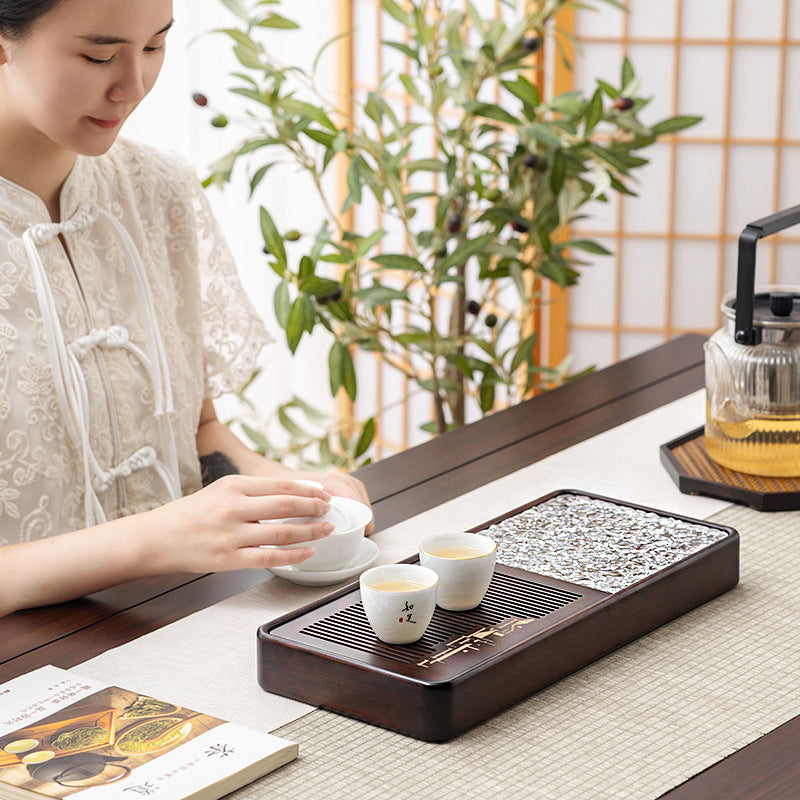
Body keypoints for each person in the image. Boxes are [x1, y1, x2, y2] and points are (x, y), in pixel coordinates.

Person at [0, 0, 372, 617]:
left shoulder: (156, 190)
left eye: (154, 47)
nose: (134, 87)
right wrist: (158, 539)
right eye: (98, 55)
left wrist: (296, 495)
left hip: (181, 628)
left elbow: (198, 432)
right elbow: (164, 533)